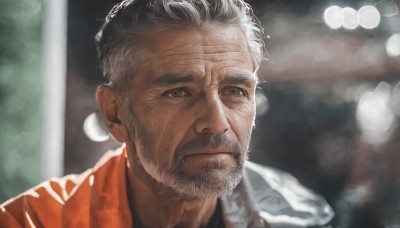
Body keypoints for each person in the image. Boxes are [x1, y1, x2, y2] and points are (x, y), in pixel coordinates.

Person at [0, 0, 334, 227]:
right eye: (178, 93)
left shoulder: (299, 215)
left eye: (234, 91)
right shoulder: (33, 221)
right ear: (115, 114)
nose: (216, 122)